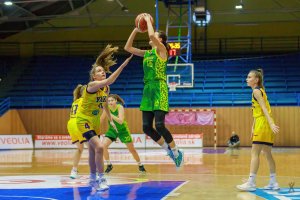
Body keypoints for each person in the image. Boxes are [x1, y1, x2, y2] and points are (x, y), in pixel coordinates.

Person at [124, 14, 184, 168]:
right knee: (146, 127)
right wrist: (136, 30)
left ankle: (177, 152)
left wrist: (149, 21)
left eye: (156, 35)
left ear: (161, 40)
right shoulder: (147, 53)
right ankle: (167, 150)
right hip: (147, 90)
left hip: (159, 88)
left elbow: (151, 34)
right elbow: (127, 48)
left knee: (159, 125)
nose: (152, 36)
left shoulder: (162, 50)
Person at [76, 44, 133, 191]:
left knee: (92, 150)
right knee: (100, 147)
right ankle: (101, 178)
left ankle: (92, 177)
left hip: (95, 122)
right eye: (99, 71)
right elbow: (109, 80)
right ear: (94, 76)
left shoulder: (106, 89)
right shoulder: (92, 85)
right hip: (83, 120)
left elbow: (105, 105)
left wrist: (111, 120)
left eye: (103, 70)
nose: (103, 72)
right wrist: (123, 65)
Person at [237, 69, 280, 192]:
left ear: (256, 80)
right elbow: (259, 112)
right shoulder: (261, 91)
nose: (247, 79)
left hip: (263, 124)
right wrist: (253, 126)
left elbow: (264, 108)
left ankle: (251, 182)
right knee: (267, 154)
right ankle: (273, 182)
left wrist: (271, 123)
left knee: (254, 153)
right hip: (263, 124)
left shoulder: (256, 91)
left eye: (249, 77)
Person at [100, 94, 146, 174]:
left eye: (112, 100)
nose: (110, 102)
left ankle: (140, 165)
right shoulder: (106, 108)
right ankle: (109, 164)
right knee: (103, 146)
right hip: (112, 130)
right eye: (109, 101)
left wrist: (110, 115)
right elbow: (101, 120)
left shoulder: (119, 107)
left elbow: (120, 121)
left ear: (116, 101)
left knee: (132, 150)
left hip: (123, 131)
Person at [67, 84, 88, 179]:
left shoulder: (75, 101)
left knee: (80, 149)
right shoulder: (85, 100)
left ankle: (74, 171)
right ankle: (95, 173)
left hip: (71, 124)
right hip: (79, 123)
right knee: (94, 149)